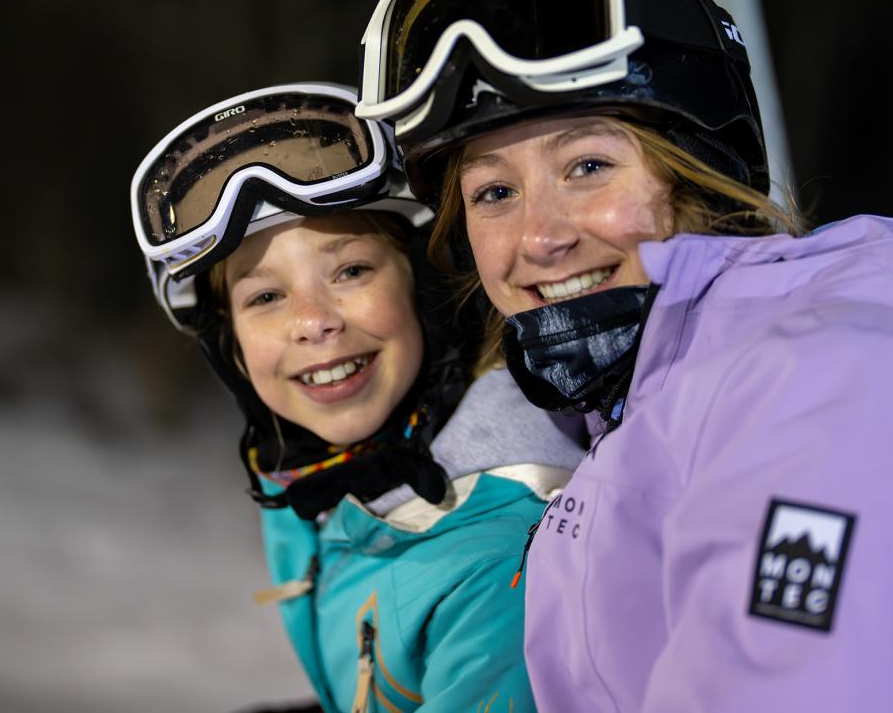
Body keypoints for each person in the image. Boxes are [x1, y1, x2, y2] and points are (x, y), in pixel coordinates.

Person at [354, 0, 893, 712]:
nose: (539, 237)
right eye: (494, 193)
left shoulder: (831, 383)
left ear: (702, 176)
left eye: (587, 166)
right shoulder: (638, 413)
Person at [129, 81, 583, 713]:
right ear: (231, 349)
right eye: (265, 297)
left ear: (422, 288)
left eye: (350, 271)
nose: (314, 321)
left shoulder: (499, 565)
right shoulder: (330, 496)